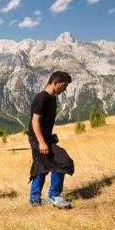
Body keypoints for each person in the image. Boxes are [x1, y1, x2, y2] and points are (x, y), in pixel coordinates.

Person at [27, 71, 74, 208]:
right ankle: (55, 196)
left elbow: (44, 123)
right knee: (63, 160)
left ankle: (35, 200)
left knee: (40, 165)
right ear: (56, 82)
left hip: (44, 138)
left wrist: (50, 136)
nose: (65, 89)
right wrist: (42, 142)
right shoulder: (42, 98)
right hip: (37, 139)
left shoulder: (52, 98)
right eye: (64, 85)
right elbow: (35, 121)